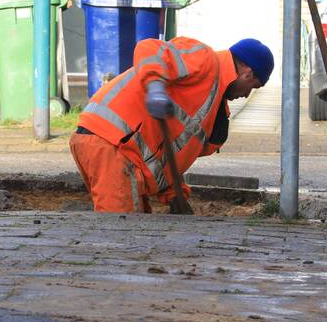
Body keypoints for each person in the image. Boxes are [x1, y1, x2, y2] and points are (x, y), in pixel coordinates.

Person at [70, 37, 274, 213]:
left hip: (117, 151)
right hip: (110, 143)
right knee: (121, 235)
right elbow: (149, 48)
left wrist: (175, 195)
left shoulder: (213, 112)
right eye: (253, 87)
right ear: (248, 73)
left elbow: (165, 157)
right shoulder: (205, 59)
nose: (246, 95)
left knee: (136, 230)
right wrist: (155, 87)